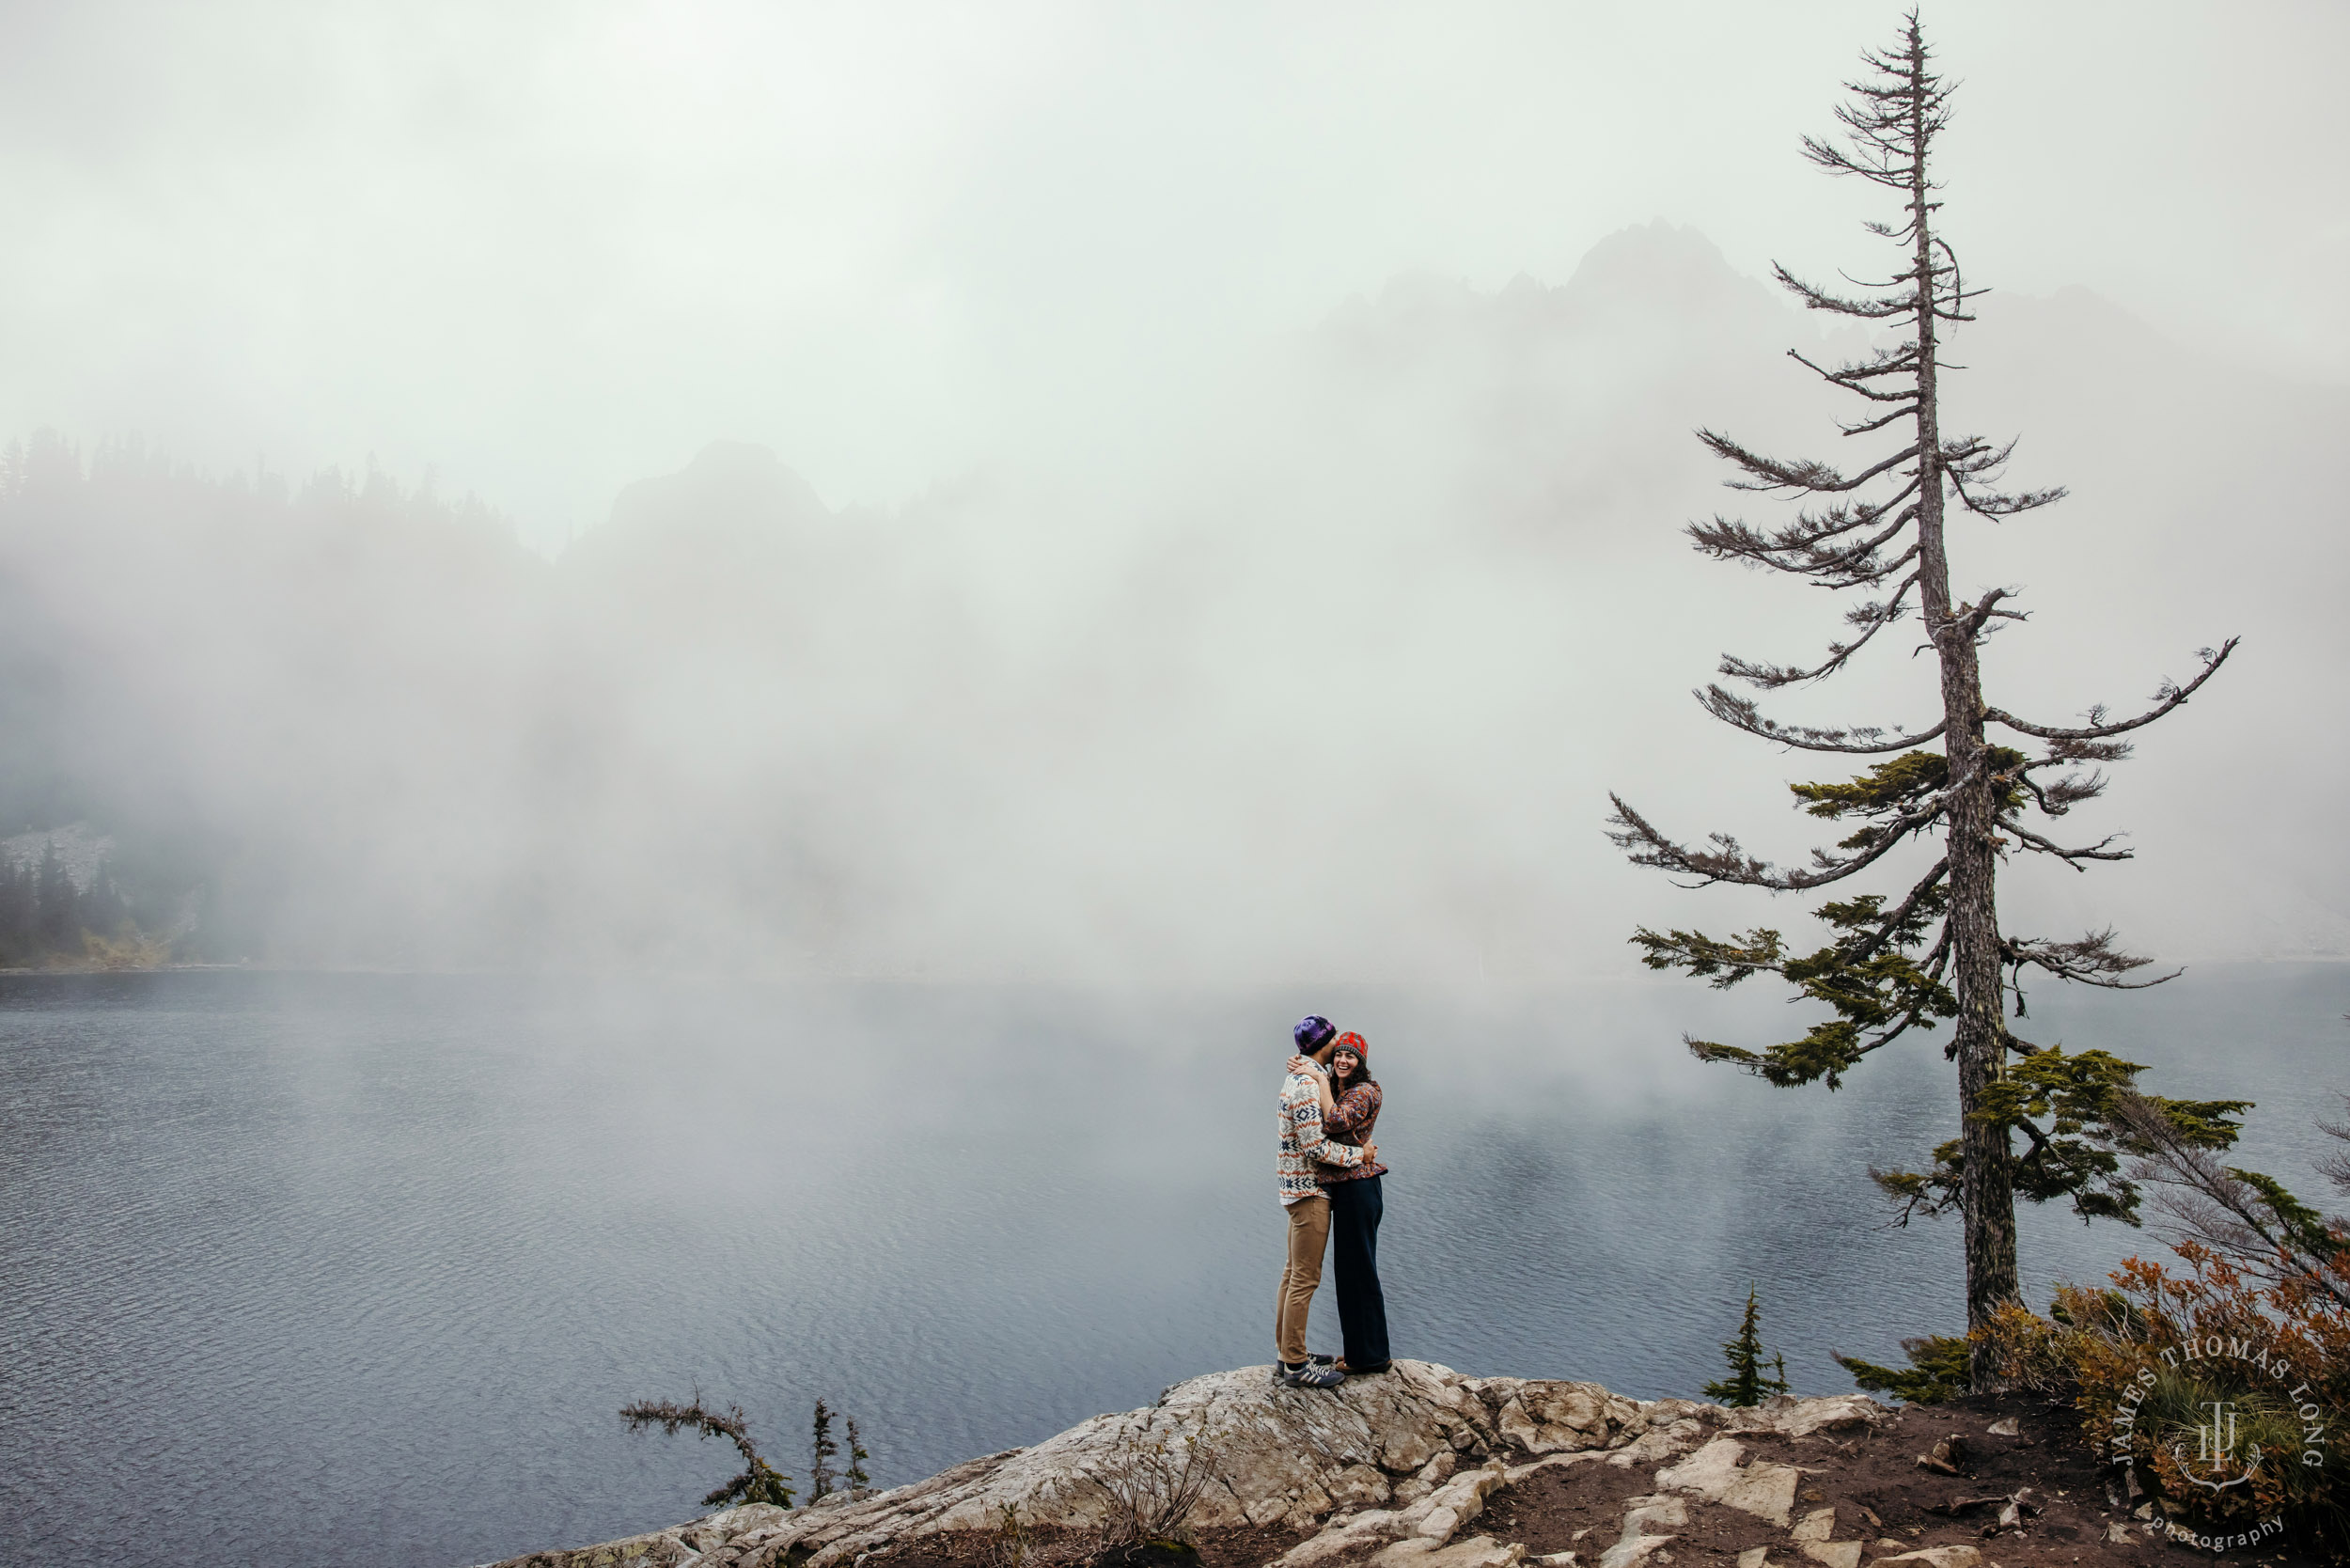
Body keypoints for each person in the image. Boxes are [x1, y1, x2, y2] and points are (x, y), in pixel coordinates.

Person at [1275, 1014, 1374, 1389]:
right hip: (1309, 1192)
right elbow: (1314, 1146)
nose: (1338, 1049)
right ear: (1326, 1042)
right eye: (1334, 1041)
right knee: (1304, 1278)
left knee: (1291, 1275)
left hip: (1295, 1188)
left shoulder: (1300, 1075)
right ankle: (1297, 1367)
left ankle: (1287, 1353)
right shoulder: (1305, 1085)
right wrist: (1359, 1156)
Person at [1310, 1031, 1389, 1374]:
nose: (1343, 1061)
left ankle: (1370, 1358)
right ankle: (1360, 1353)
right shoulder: (1341, 1087)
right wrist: (1311, 1068)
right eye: (1339, 1055)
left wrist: (1321, 1082)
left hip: (1360, 1189)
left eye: (1351, 1057)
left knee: (1359, 1272)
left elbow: (1336, 1121)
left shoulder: (1365, 1091)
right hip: (1349, 1188)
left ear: (1361, 1062)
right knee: (1349, 1272)